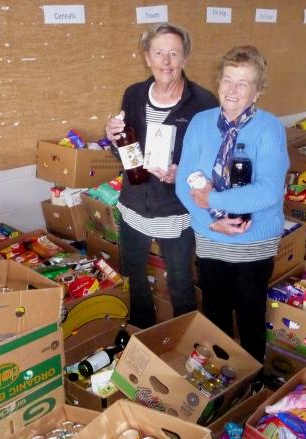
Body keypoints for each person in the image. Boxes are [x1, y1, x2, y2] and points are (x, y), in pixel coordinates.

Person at [175, 45, 289, 362]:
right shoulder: (200, 123)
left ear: (258, 90)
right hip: (210, 238)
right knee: (215, 314)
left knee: (250, 315)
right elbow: (186, 178)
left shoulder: (269, 128)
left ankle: (252, 378)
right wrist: (209, 218)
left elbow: (268, 190)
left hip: (253, 241)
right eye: (227, 80)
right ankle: (223, 376)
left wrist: (213, 198)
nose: (232, 90)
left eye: (243, 83)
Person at [105, 23, 218, 328]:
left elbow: (215, 160)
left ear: (185, 59)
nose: (166, 61)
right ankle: (141, 334)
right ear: (147, 57)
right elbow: (125, 153)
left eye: (173, 53)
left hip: (175, 210)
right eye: (159, 53)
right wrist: (114, 140)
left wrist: (183, 175)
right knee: (133, 276)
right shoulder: (134, 95)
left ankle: (186, 345)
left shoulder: (203, 103)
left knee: (180, 282)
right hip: (133, 205)